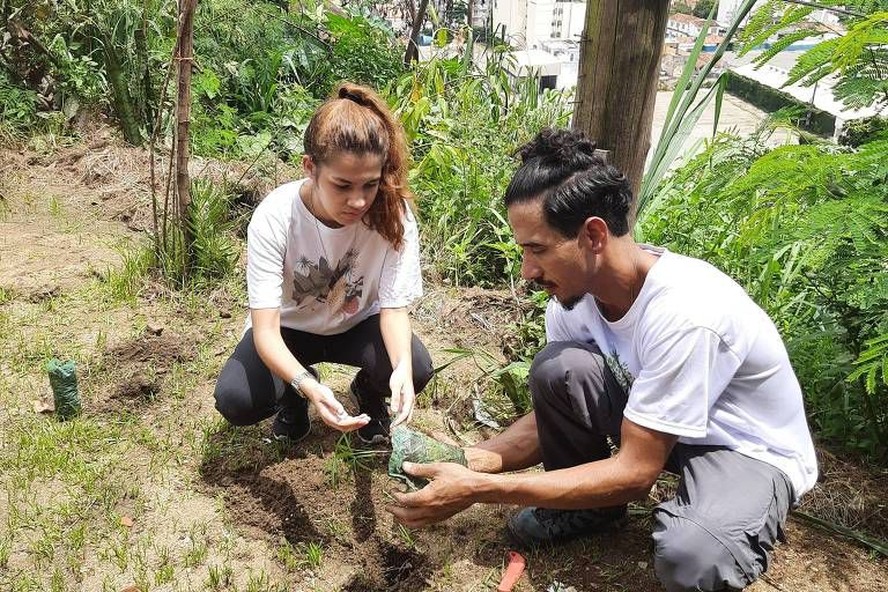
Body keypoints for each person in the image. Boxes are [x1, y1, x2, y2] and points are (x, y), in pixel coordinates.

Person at [388, 128, 818, 591]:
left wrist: (484, 491)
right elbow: (548, 416)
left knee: (691, 557)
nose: (527, 271)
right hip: (660, 426)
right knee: (558, 367)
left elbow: (636, 472)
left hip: (742, 449)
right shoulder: (576, 301)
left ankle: (717, 515)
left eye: (537, 250)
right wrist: (472, 460)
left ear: (593, 235)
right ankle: (588, 509)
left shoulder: (687, 313)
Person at [213, 82, 434, 446]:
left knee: (417, 364)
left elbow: (394, 309)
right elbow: (265, 331)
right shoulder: (276, 216)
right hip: (290, 329)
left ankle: (368, 390)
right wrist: (308, 386)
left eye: (369, 185)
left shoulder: (392, 216)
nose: (359, 201)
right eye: (342, 185)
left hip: (358, 325)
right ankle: (293, 396)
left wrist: (403, 371)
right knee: (236, 398)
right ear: (310, 168)